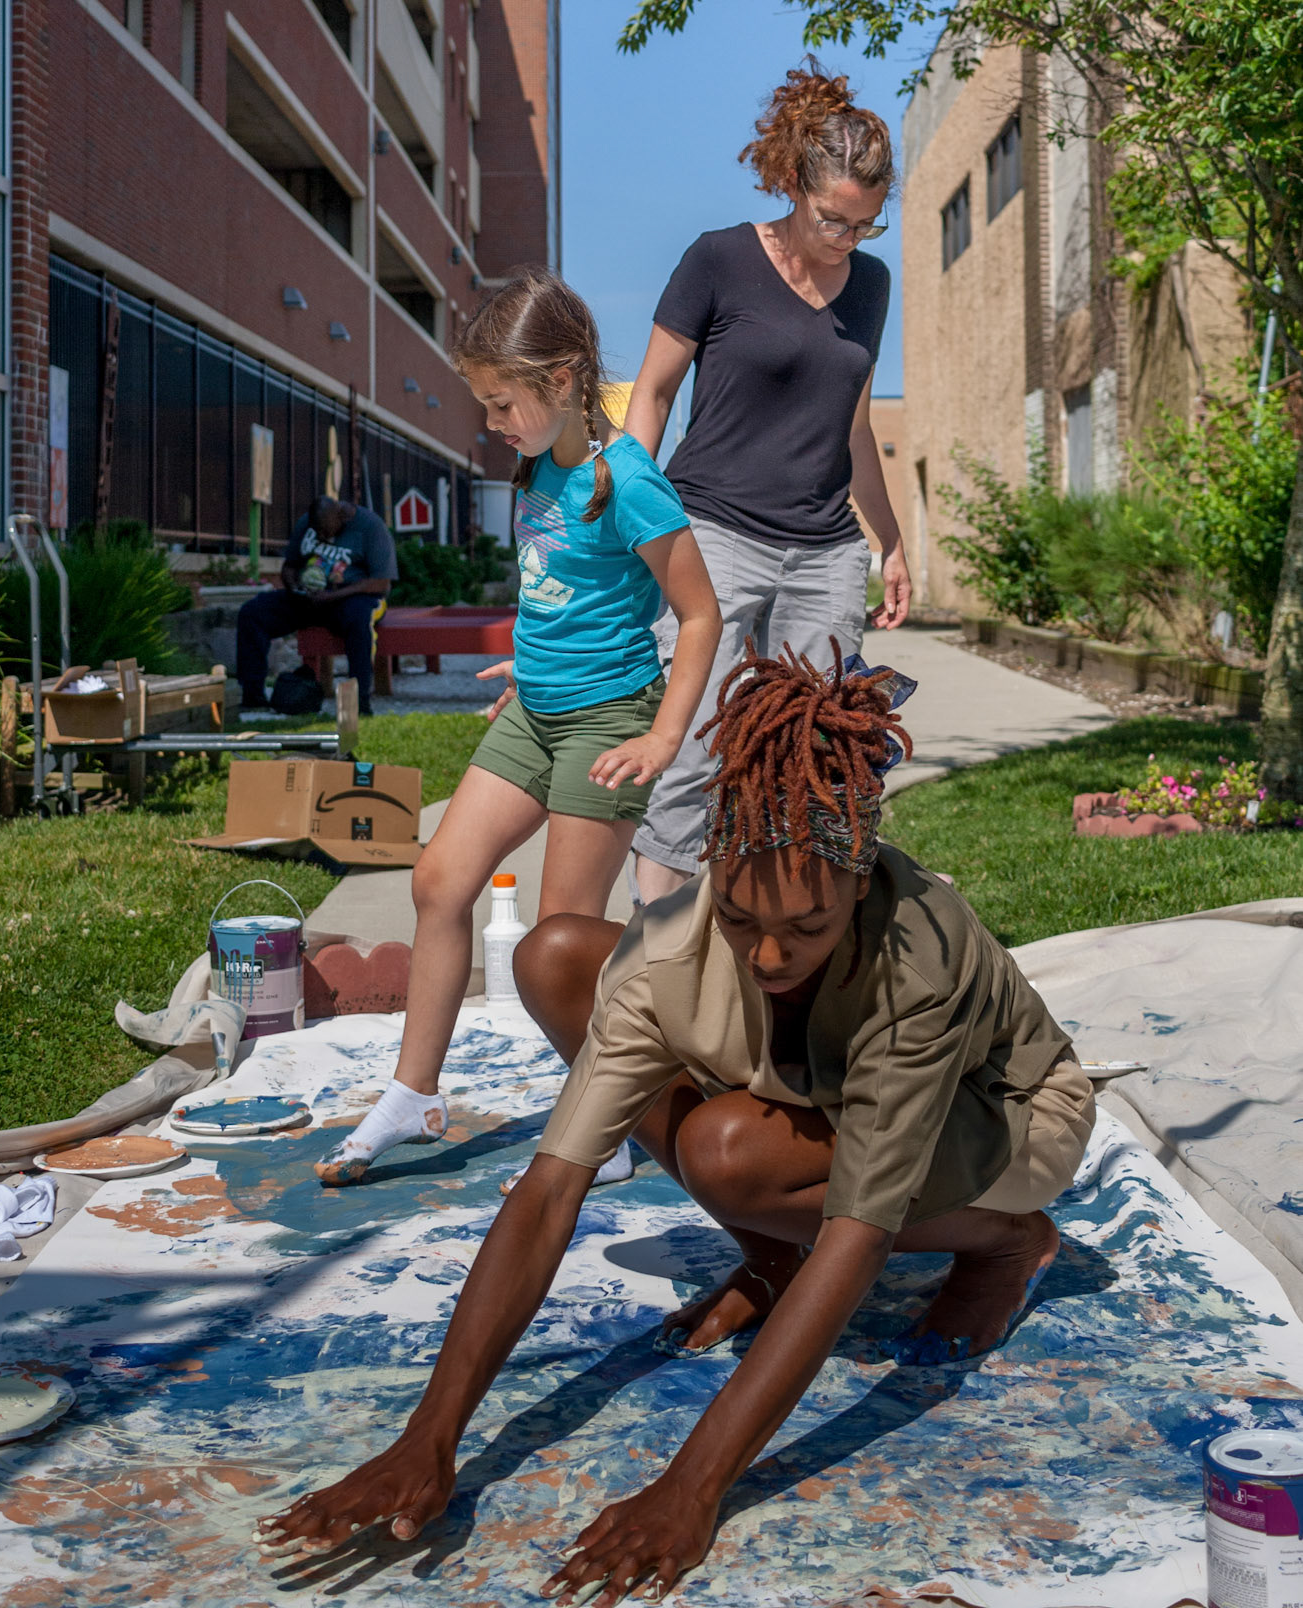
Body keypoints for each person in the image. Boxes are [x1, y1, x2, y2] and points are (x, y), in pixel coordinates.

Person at [261, 644, 1095, 1601]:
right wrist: (428, 1437)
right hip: (814, 1089)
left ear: (858, 886)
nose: (771, 954)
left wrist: (691, 1488)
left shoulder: (918, 960)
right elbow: (548, 1193)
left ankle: (1005, 1243)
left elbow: (857, 1236)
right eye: (740, 919)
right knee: (560, 956)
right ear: (710, 871)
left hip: (1000, 1114)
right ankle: (772, 1253)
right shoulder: (673, 951)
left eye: (808, 928)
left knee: (729, 1156)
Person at [314, 268, 721, 1185]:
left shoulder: (629, 482)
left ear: (565, 377)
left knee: (557, 942)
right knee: (437, 880)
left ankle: (606, 1126)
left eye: (502, 402)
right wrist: (528, 667)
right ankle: (415, 1094)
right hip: (532, 713)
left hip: (610, 723)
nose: (492, 422)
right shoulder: (536, 465)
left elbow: (699, 615)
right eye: (485, 403)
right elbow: (559, 594)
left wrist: (662, 739)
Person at [627, 59, 913, 908]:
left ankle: (786, 939)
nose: (845, 240)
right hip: (711, 533)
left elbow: (855, 425)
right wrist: (627, 510)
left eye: (864, 225)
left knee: (818, 754)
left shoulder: (869, 284)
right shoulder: (718, 261)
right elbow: (650, 394)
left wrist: (889, 542)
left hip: (825, 550)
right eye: (832, 219)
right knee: (696, 748)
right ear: (792, 182)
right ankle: (657, 948)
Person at [235, 493, 395, 718]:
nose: (321, 535)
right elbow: (289, 566)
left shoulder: (371, 527)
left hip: (354, 597)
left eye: (326, 531)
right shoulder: (308, 523)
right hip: (310, 599)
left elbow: (381, 583)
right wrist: (294, 588)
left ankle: (359, 704)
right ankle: (253, 698)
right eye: (317, 531)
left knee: (359, 620)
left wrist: (332, 596)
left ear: (342, 517)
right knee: (253, 613)